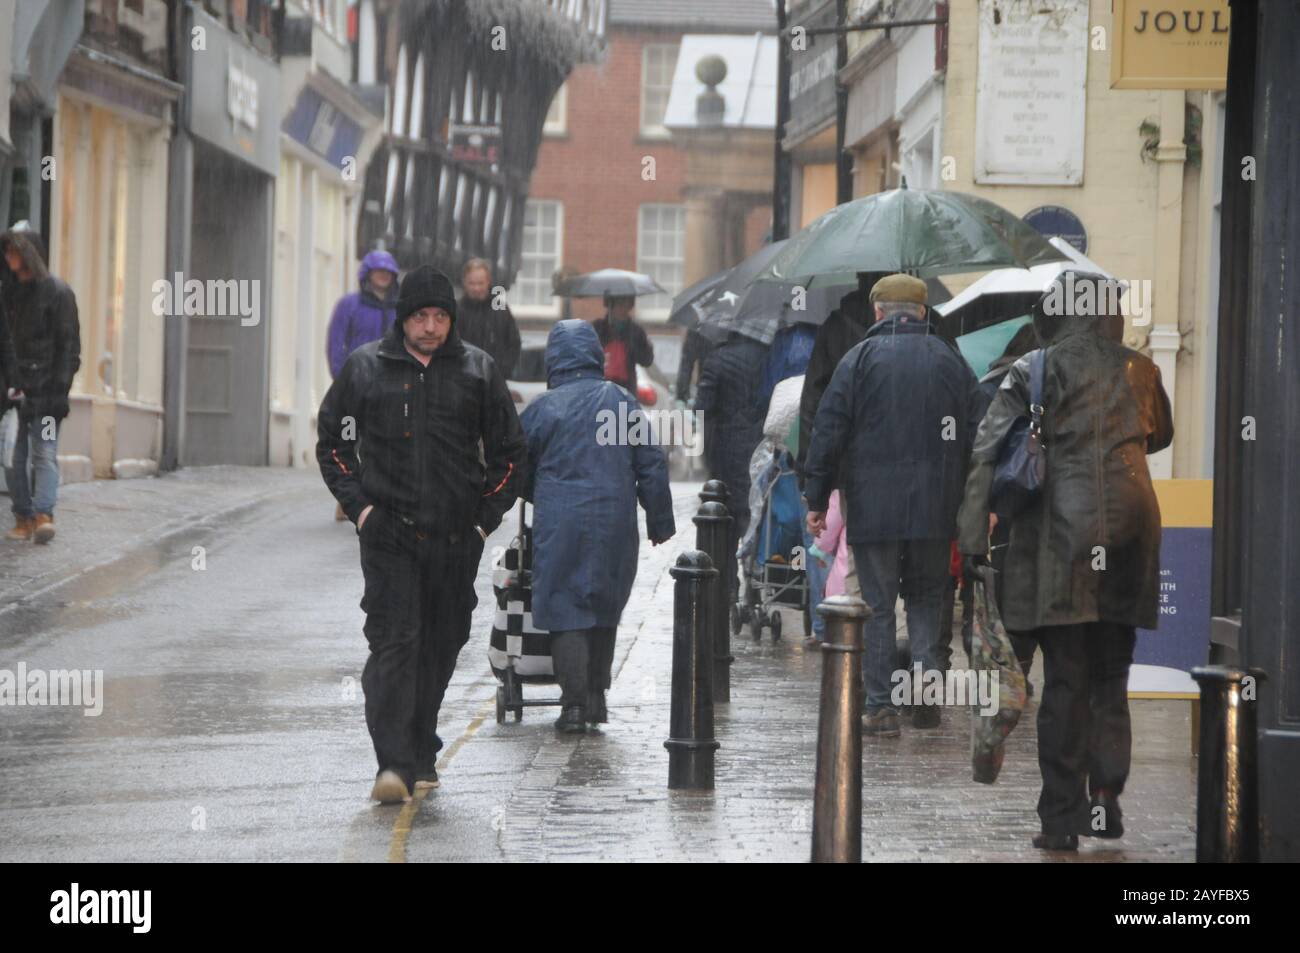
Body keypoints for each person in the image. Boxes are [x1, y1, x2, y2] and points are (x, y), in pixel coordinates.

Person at [957, 273, 1172, 851]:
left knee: (1068, 678)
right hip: (1131, 532)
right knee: (1111, 673)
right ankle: (1105, 795)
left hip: (1061, 540)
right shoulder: (1142, 371)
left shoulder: (1034, 368)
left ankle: (1061, 818)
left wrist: (972, 540)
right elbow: (1160, 436)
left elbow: (984, 453)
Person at [317, 265, 526, 804]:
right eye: (419, 317)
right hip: (388, 535)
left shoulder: (478, 372)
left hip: (456, 538)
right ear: (403, 319)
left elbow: (509, 455)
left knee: (440, 642)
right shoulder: (366, 370)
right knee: (394, 644)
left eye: (439, 316)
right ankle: (393, 764)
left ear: (450, 319)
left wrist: (483, 521)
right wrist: (362, 511)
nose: (430, 327)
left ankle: (420, 748)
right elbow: (335, 446)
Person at [804, 274, 984, 738]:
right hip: (935, 507)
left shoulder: (857, 360)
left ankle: (881, 707)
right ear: (922, 313)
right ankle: (922, 693)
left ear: (878, 312)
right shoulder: (950, 360)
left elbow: (828, 430)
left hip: (873, 508)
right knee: (926, 598)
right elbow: (981, 429)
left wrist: (817, 498)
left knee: (879, 605)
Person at [520, 320, 675, 732]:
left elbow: (517, 465)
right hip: (614, 519)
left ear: (554, 358)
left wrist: (539, 495)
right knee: (604, 605)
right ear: (595, 355)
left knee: (564, 607)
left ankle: (572, 705)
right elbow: (651, 463)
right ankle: (595, 698)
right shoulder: (620, 402)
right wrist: (660, 521)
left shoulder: (542, 408)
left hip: (560, 520)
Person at [1, 226, 81, 544]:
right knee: (12, 456)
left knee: (44, 453)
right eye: (7, 252)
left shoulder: (58, 293)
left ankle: (43, 515)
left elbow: (69, 347)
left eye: (15, 251)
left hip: (47, 394)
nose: (10, 257)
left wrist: (59, 388)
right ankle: (23, 516)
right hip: (15, 394)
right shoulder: (8, 294)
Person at [325, 249, 399, 521]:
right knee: (349, 441)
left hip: (391, 386)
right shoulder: (349, 305)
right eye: (378, 271)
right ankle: (347, 499)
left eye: (387, 272)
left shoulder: (400, 307)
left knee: (381, 443)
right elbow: (336, 343)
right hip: (356, 385)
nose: (383, 277)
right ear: (366, 275)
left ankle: (378, 496)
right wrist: (341, 379)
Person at [695, 330, 768, 600]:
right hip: (760, 446)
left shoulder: (717, 359)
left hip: (725, 449)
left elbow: (702, 407)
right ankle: (755, 582)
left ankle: (728, 584)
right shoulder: (766, 356)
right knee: (756, 514)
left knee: (724, 520)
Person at [457, 258, 521, 378]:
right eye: (472, 283)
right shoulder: (455, 311)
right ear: (464, 283)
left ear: (488, 282)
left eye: (480, 283)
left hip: (496, 379)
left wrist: (503, 371)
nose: (476, 288)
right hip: (463, 381)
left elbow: (514, 343)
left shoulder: (500, 309)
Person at [592, 292, 653, 393]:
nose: (624, 309)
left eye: (628, 305)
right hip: (600, 390)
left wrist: (638, 346)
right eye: (620, 304)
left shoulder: (636, 331)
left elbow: (647, 360)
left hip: (626, 391)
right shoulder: (598, 329)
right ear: (610, 306)